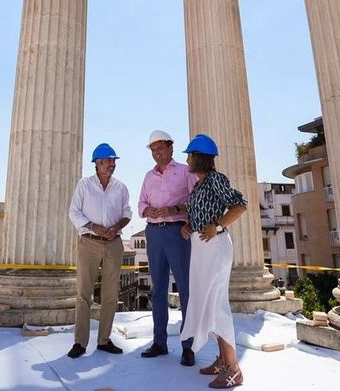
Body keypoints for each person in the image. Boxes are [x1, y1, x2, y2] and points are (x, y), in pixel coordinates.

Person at [179, 134, 247, 389]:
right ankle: (221, 360)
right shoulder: (199, 185)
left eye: (189, 155)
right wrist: (189, 226)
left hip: (215, 248)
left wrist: (217, 226)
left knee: (218, 304)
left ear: (200, 158)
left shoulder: (216, 179)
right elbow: (202, 214)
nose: (187, 159)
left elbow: (240, 205)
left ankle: (233, 369)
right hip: (201, 249)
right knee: (208, 304)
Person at [137, 130, 197, 366]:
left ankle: (188, 347)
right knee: (158, 289)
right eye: (153, 150)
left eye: (160, 148)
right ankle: (159, 343)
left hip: (177, 232)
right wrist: (146, 210)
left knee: (185, 289)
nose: (156, 153)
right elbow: (141, 201)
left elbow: (195, 201)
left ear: (171, 148)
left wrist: (175, 211)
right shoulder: (148, 176)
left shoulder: (185, 172)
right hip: (154, 234)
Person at [67, 143, 132, 358]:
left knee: (111, 294)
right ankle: (80, 343)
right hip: (89, 242)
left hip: (114, 243)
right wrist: (93, 226)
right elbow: (74, 212)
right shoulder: (84, 185)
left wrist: (118, 227)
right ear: (97, 163)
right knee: (84, 293)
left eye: (113, 161)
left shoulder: (121, 187)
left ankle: (104, 340)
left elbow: (127, 213)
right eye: (107, 161)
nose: (112, 164)